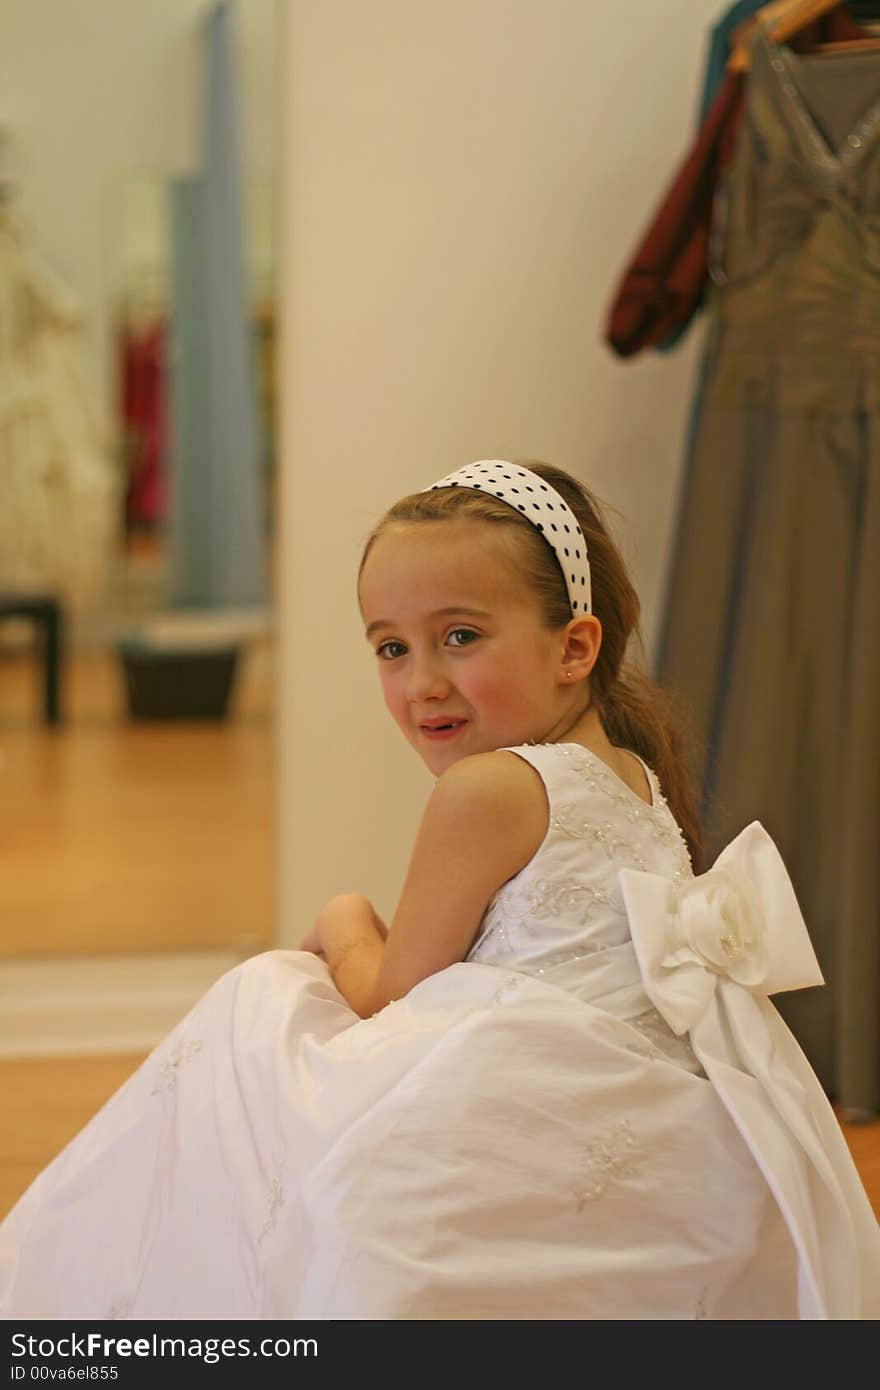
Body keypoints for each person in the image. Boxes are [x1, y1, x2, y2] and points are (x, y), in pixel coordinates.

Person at [2, 460, 878, 1321]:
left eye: (459, 636)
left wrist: (344, 919)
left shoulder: (487, 790)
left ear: (575, 645)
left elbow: (393, 996)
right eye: (392, 647)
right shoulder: (633, 777)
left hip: (527, 1113)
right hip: (662, 1120)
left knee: (261, 1001)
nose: (422, 681)